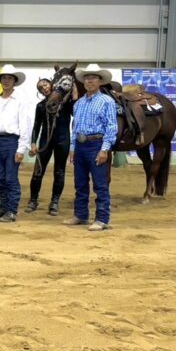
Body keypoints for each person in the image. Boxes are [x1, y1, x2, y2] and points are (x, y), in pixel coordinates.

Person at [65, 64, 118, 232]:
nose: (89, 81)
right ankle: (80, 214)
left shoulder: (107, 101)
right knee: (80, 183)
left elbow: (111, 127)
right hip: (80, 145)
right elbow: (75, 126)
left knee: (100, 184)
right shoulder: (78, 103)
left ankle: (102, 218)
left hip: (96, 144)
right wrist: (72, 148)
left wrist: (105, 149)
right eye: (87, 78)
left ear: (100, 81)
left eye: (93, 78)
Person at [0, 64, 32, 223]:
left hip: (12, 141)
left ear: (14, 81)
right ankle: (3, 208)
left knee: (10, 178)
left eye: (9, 78)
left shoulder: (20, 102)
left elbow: (25, 126)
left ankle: (11, 210)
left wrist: (21, 149)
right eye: (3, 78)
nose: (6, 81)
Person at [27, 77, 72, 216]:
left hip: (62, 140)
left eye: (45, 84)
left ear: (51, 84)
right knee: (38, 171)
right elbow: (36, 126)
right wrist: (33, 143)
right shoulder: (40, 106)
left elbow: (75, 110)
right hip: (46, 140)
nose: (44, 88)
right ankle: (33, 200)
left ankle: (54, 202)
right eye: (40, 87)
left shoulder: (65, 103)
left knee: (59, 171)